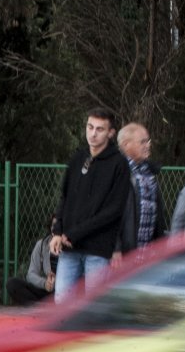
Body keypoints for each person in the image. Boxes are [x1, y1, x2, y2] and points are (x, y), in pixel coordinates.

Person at [50, 108, 130, 303]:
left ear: (111, 133)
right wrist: (57, 231)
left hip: (98, 249)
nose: (93, 134)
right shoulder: (78, 159)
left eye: (100, 129)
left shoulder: (119, 165)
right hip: (69, 248)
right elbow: (65, 198)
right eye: (90, 127)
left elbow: (113, 211)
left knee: (93, 308)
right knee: (62, 304)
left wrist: (75, 233)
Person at [114, 122, 166, 262]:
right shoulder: (116, 172)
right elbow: (109, 216)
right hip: (123, 256)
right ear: (126, 145)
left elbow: (157, 216)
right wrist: (115, 248)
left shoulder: (149, 173)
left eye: (148, 141)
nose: (148, 145)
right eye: (142, 142)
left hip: (147, 255)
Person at [6, 220, 56, 307]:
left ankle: (48, 309)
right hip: (47, 290)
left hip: (65, 292)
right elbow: (31, 274)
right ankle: (39, 308)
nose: (56, 228)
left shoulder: (73, 247)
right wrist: (44, 284)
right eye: (53, 225)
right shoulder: (42, 244)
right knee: (12, 284)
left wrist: (57, 283)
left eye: (59, 224)